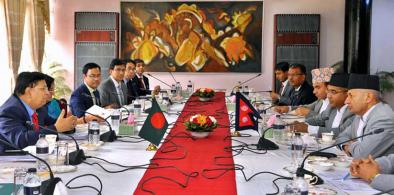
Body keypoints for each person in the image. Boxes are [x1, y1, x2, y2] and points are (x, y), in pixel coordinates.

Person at [0, 72, 76, 152]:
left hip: (36, 155)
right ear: (29, 91)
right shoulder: (9, 111)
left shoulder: (39, 108)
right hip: (10, 160)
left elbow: (54, 123)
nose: (47, 93)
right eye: (43, 89)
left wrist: (68, 125)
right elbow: (21, 140)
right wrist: (56, 128)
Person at [336, 74, 394, 158]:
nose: (346, 101)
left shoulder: (384, 119)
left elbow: (362, 154)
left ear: (368, 97)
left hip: (378, 170)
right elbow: (341, 137)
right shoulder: (360, 114)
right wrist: (346, 146)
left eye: (351, 96)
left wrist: (351, 146)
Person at [293, 73, 355, 138]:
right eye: (328, 91)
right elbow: (317, 120)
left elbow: (341, 132)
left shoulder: (353, 111)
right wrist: (300, 123)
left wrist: (308, 128)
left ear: (347, 94)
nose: (329, 96)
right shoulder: (331, 107)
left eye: (333, 92)